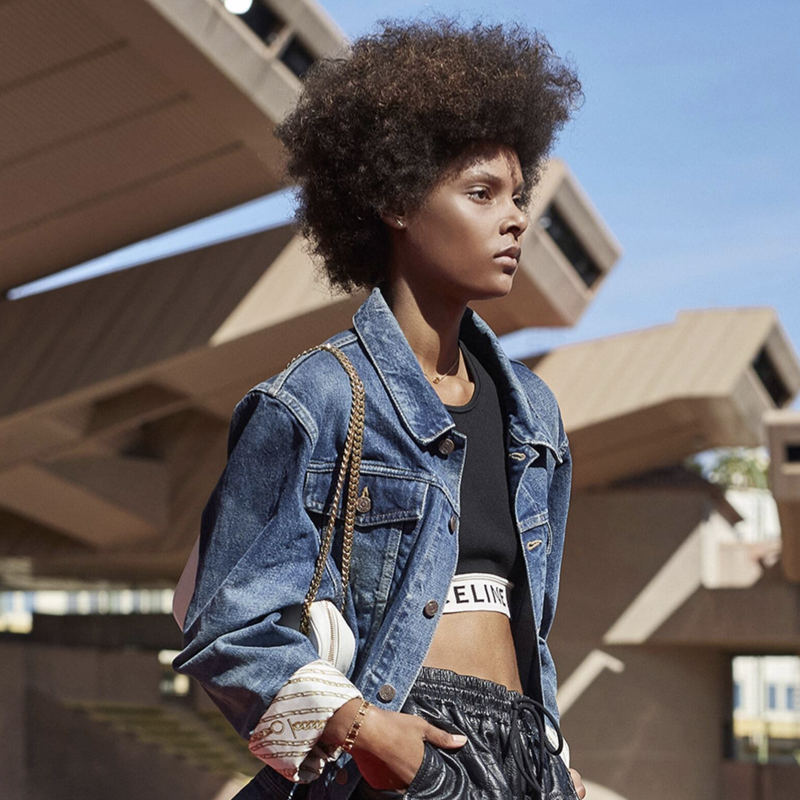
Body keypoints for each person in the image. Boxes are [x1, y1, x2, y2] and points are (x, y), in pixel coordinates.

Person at [173, 16, 585, 800]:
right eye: (481, 193)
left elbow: (532, 625)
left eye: (518, 195)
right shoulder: (317, 399)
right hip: (394, 747)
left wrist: (554, 753)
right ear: (396, 201)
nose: (516, 218)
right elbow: (225, 632)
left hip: (526, 759)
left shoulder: (535, 414)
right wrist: (369, 734)